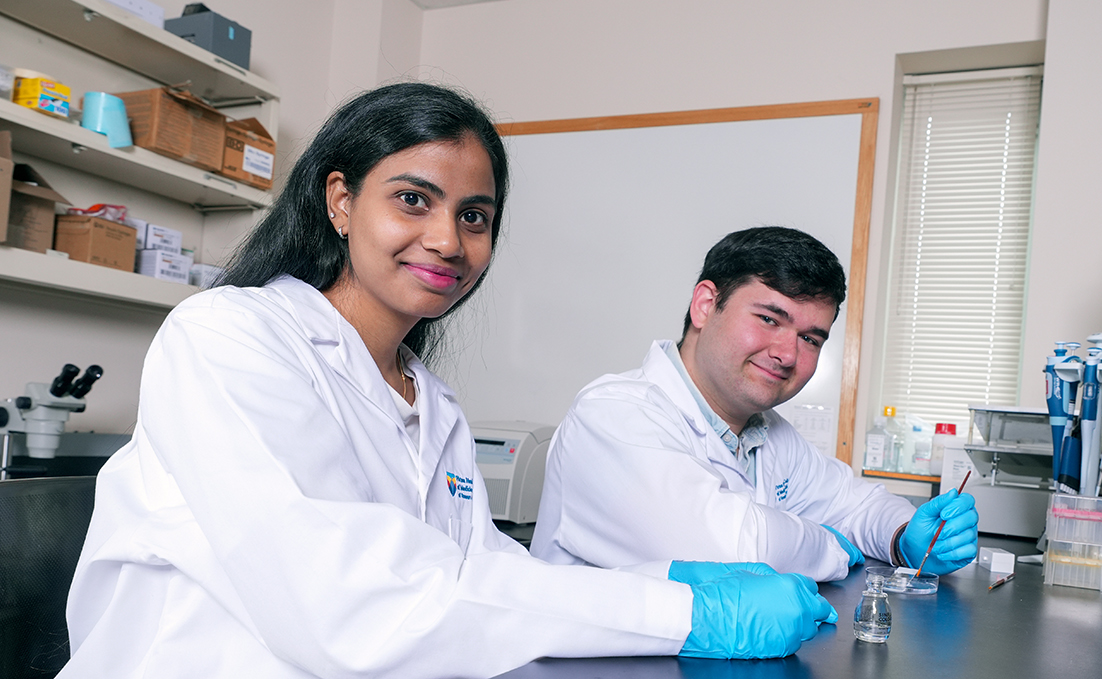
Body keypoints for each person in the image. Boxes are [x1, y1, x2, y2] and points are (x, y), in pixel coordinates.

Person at [59, 84, 835, 679]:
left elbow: (478, 569)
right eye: (412, 199)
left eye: (474, 216)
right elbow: (354, 598)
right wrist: (683, 610)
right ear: (339, 199)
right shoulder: (231, 336)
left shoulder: (431, 402)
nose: (446, 239)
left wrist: (671, 577)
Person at [530, 227, 979, 582]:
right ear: (706, 305)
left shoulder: (766, 432)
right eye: (769, 319)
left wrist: (905, 537)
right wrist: (833, 545)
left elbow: (854, 503)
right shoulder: (613, 415)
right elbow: (734, 550)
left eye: (810, 338)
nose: (788, 354)